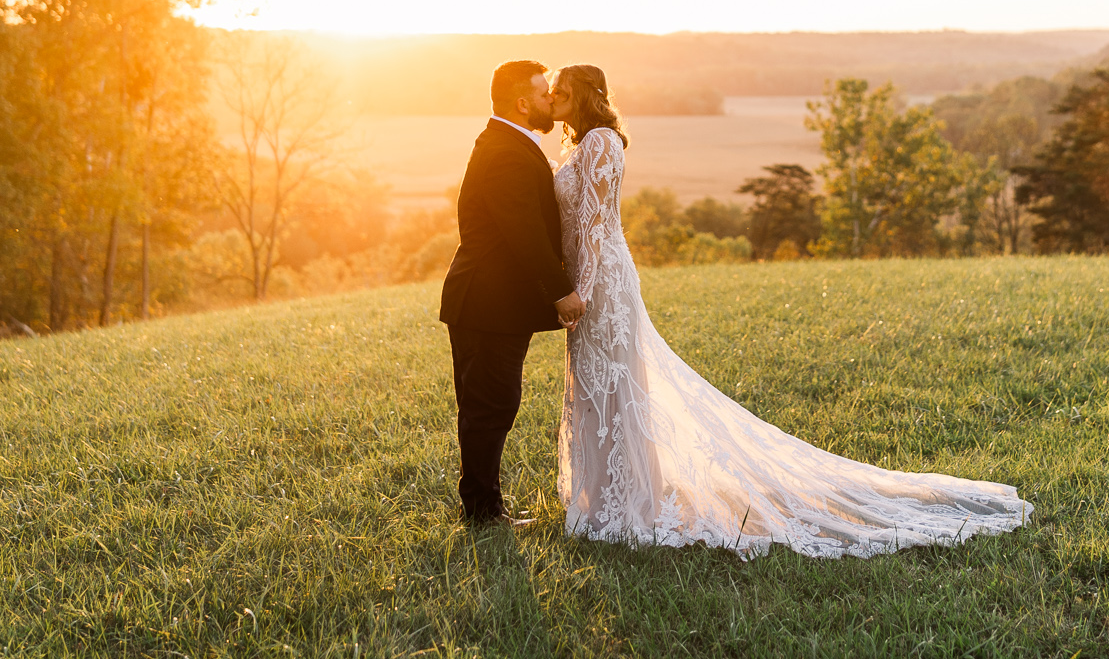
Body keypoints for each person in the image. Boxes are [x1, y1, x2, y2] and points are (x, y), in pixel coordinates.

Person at [549, 62, 1032, 559]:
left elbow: (597, 223)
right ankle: (604, 495)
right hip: (589, 281)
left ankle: (624, 500)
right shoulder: (578, 145)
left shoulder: (602, 142)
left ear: (583, 94)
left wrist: (581, 289)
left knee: (615, 382)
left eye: (561, 90)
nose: (553, 96)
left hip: (603, 282)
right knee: (595, 383)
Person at [438, 59, 586, 524]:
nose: (551, 101)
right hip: (487, 303)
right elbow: (523, 233)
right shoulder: (505, 151)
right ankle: (483, 513)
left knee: (487, 406)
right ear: (523, 103)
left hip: (489, 302)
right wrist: (560, 291)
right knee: (490, 407)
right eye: (545, 94)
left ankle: (481, 508)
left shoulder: (508, 142)